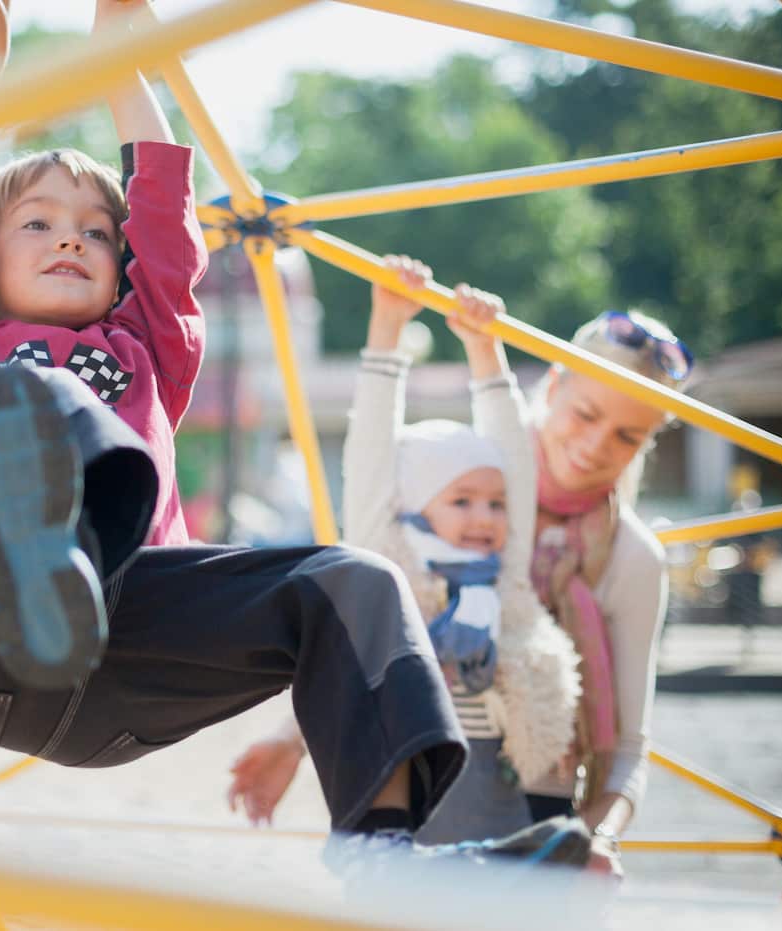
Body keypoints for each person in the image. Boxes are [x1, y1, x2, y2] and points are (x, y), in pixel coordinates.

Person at [0, 0, 567, 862]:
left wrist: (126, 58)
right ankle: (40, 570)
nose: (73, 240)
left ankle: (385, 852)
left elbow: (165, 217)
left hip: (126, 658)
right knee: (34, 396)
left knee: (355, 581)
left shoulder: (146, 351)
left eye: (97, 230)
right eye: (39, 223)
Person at [230, 283, 693, 877]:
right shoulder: (460, 486)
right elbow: (381, 615)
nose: (596, 445)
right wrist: (291, 739)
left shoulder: (627, 556)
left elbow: (628, 746)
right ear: (551, 389)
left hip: (533, 799)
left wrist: (595, 839)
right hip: (426, 777)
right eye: (586, 414)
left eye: (629, 435)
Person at [231, 257, 581, 845]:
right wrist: (387, 327)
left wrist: (483, 351)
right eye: (462, 500)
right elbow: (369, 456)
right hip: (411, 826)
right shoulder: (393, 576)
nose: (485, 518)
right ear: (413, 505)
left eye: (496, 505)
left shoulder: (503, 582)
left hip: (517, 816)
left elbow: (514, 465)